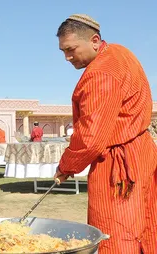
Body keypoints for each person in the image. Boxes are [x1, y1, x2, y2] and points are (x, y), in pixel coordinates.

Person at [53, 14, 157, 253]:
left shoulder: (99, 73)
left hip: (119, 165)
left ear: (95, 40)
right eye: (63, 51)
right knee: (146, 223)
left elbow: (91, 138)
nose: (67, 57)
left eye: (71, 50)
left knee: (117, 231)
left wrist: (66, 166)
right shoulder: (121, 53)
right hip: (142, 152)